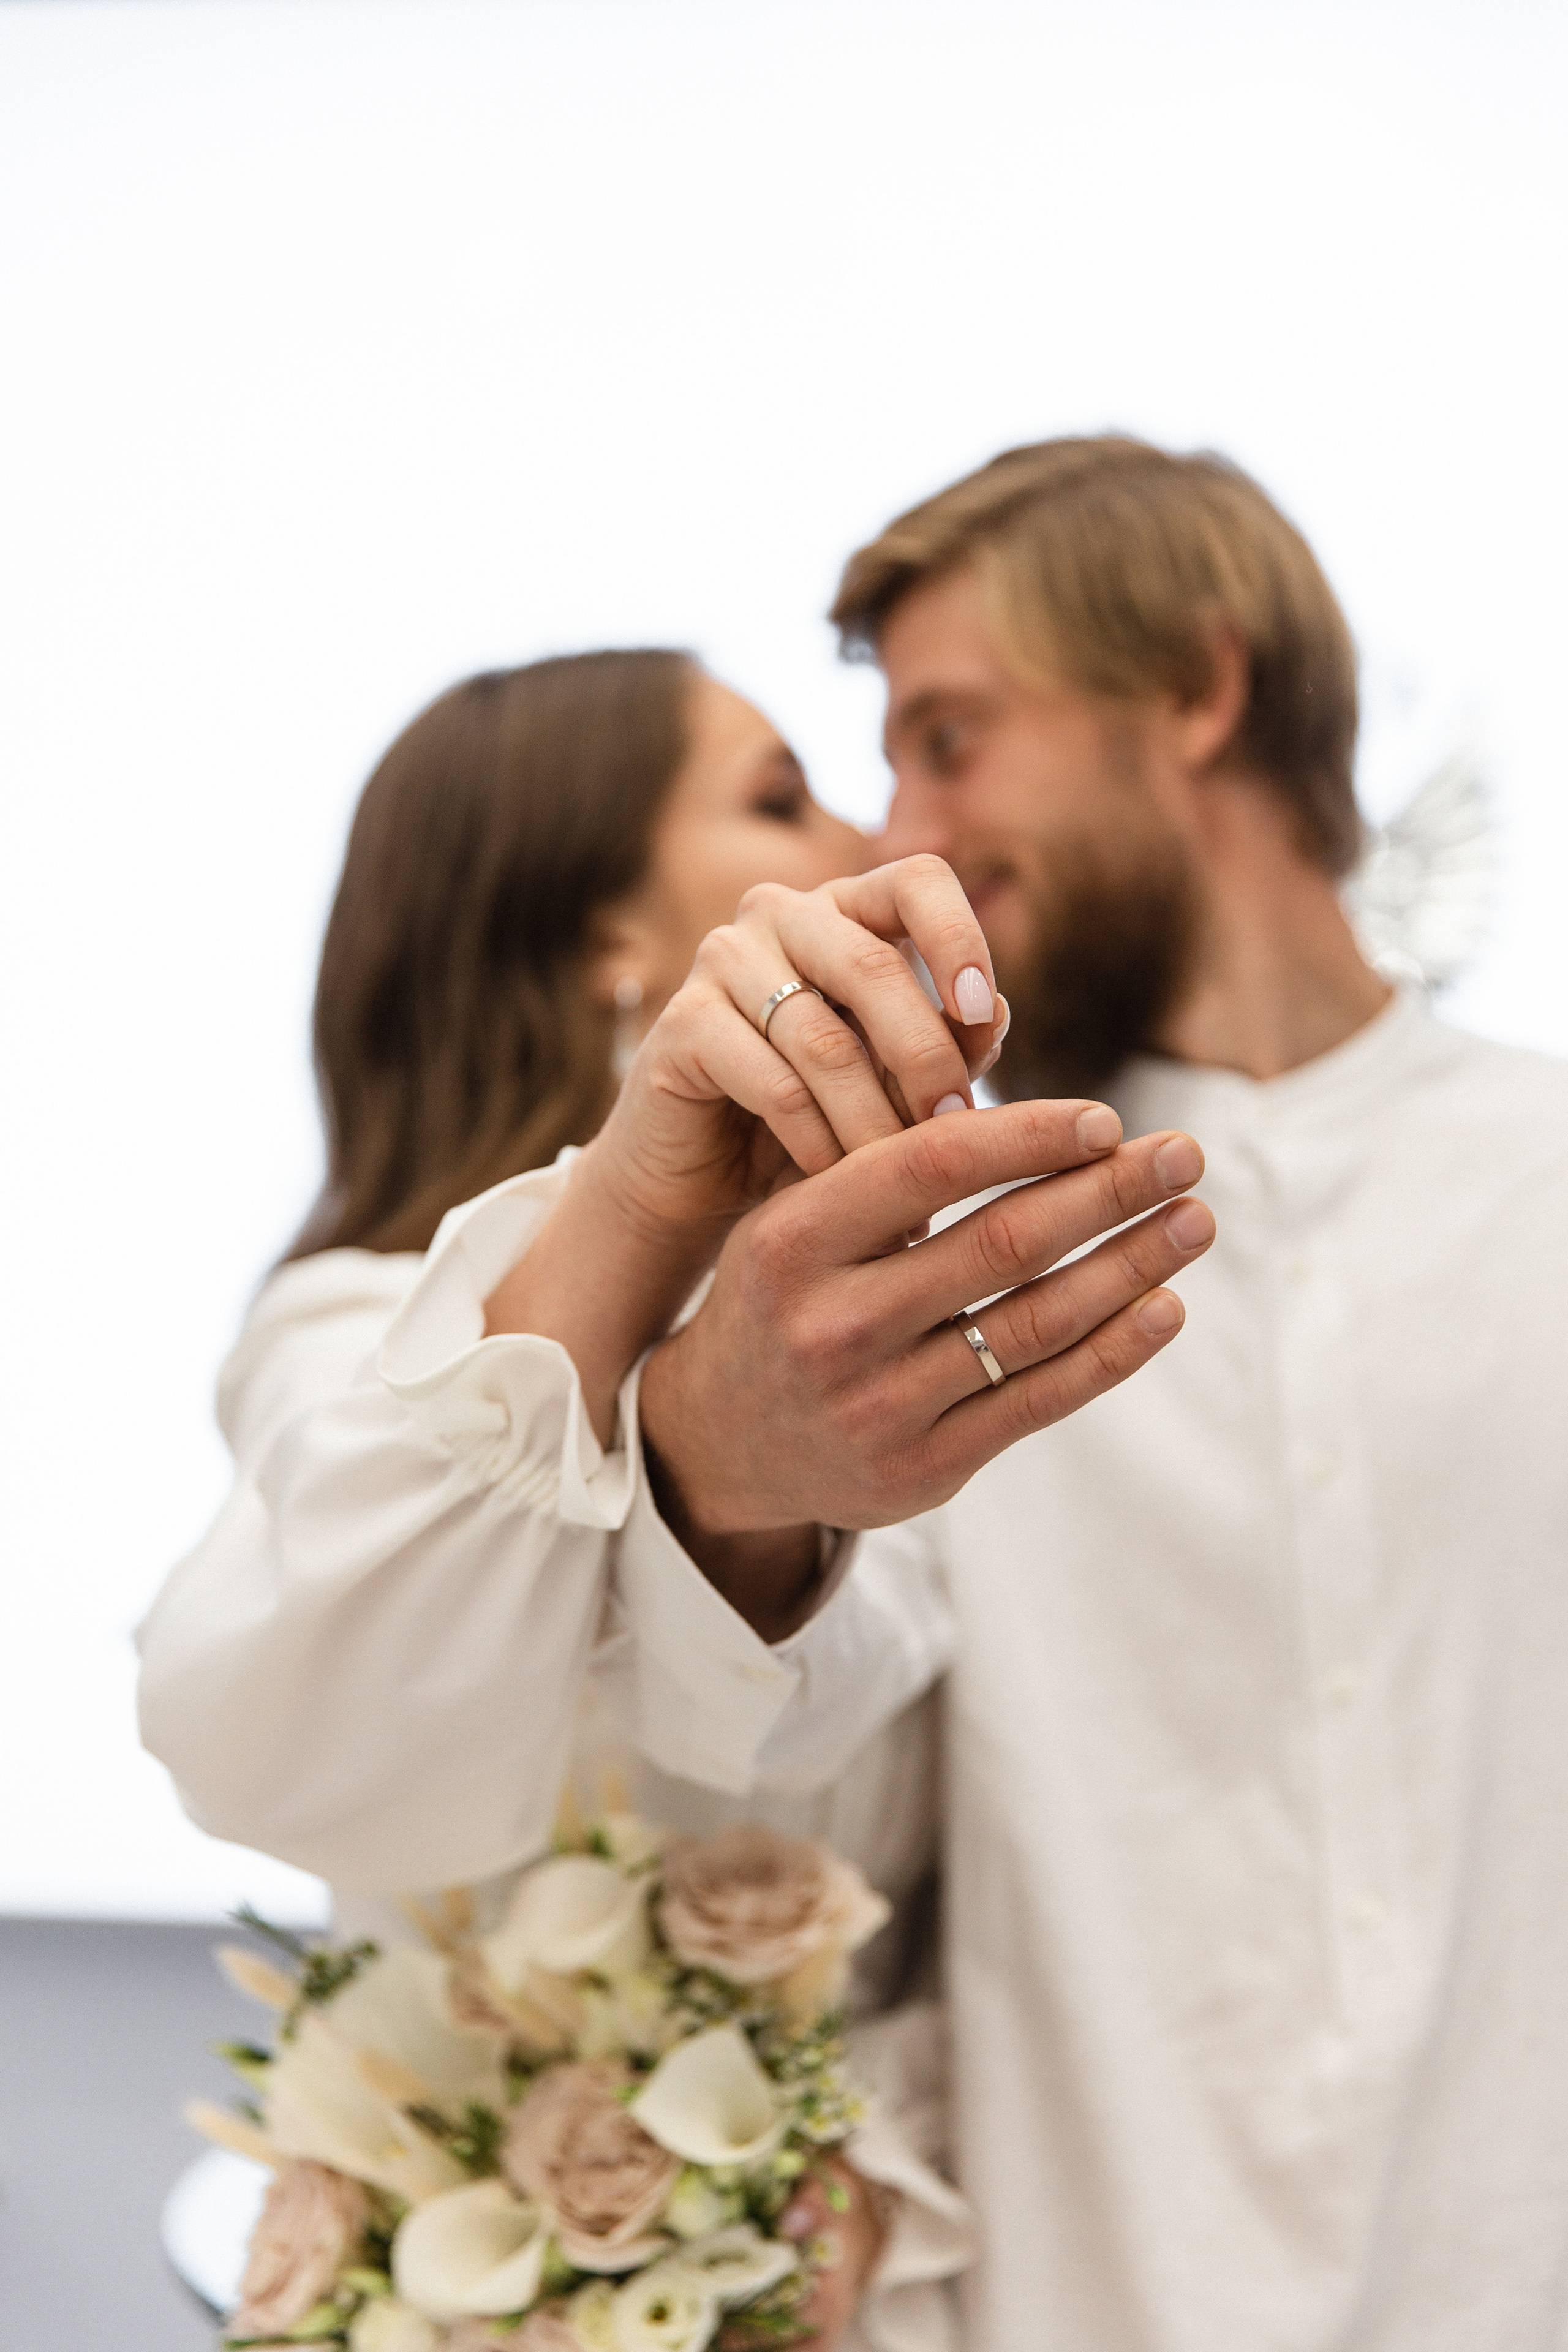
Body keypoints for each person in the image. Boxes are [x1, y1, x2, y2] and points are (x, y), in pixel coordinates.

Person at [139, 640, 1211, 2349]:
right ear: (606, 944)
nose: (873, 831)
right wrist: (651, 1241)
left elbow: (961, 1928)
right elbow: (272, 1740)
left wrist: (869, 2163)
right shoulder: (356, 1339)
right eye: (781, 795)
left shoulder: (901, 1370)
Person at [616, 437, 1568, 2351]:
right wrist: (715, 1459)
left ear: (1200, 695)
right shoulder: (889, 1264)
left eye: (951, 740)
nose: (903, 834)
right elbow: (748, 1768)